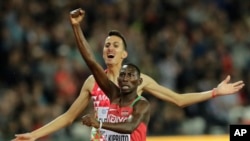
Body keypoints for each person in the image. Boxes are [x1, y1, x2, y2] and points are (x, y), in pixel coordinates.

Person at [12, 8, 245, 141]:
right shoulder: (93, 82)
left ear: (124, 54)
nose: (109, 48)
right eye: (106, 45)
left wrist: (215, 92)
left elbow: (178, 99)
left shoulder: (138, 81)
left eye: (115, 45)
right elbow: (68, 117)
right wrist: (34, 135)